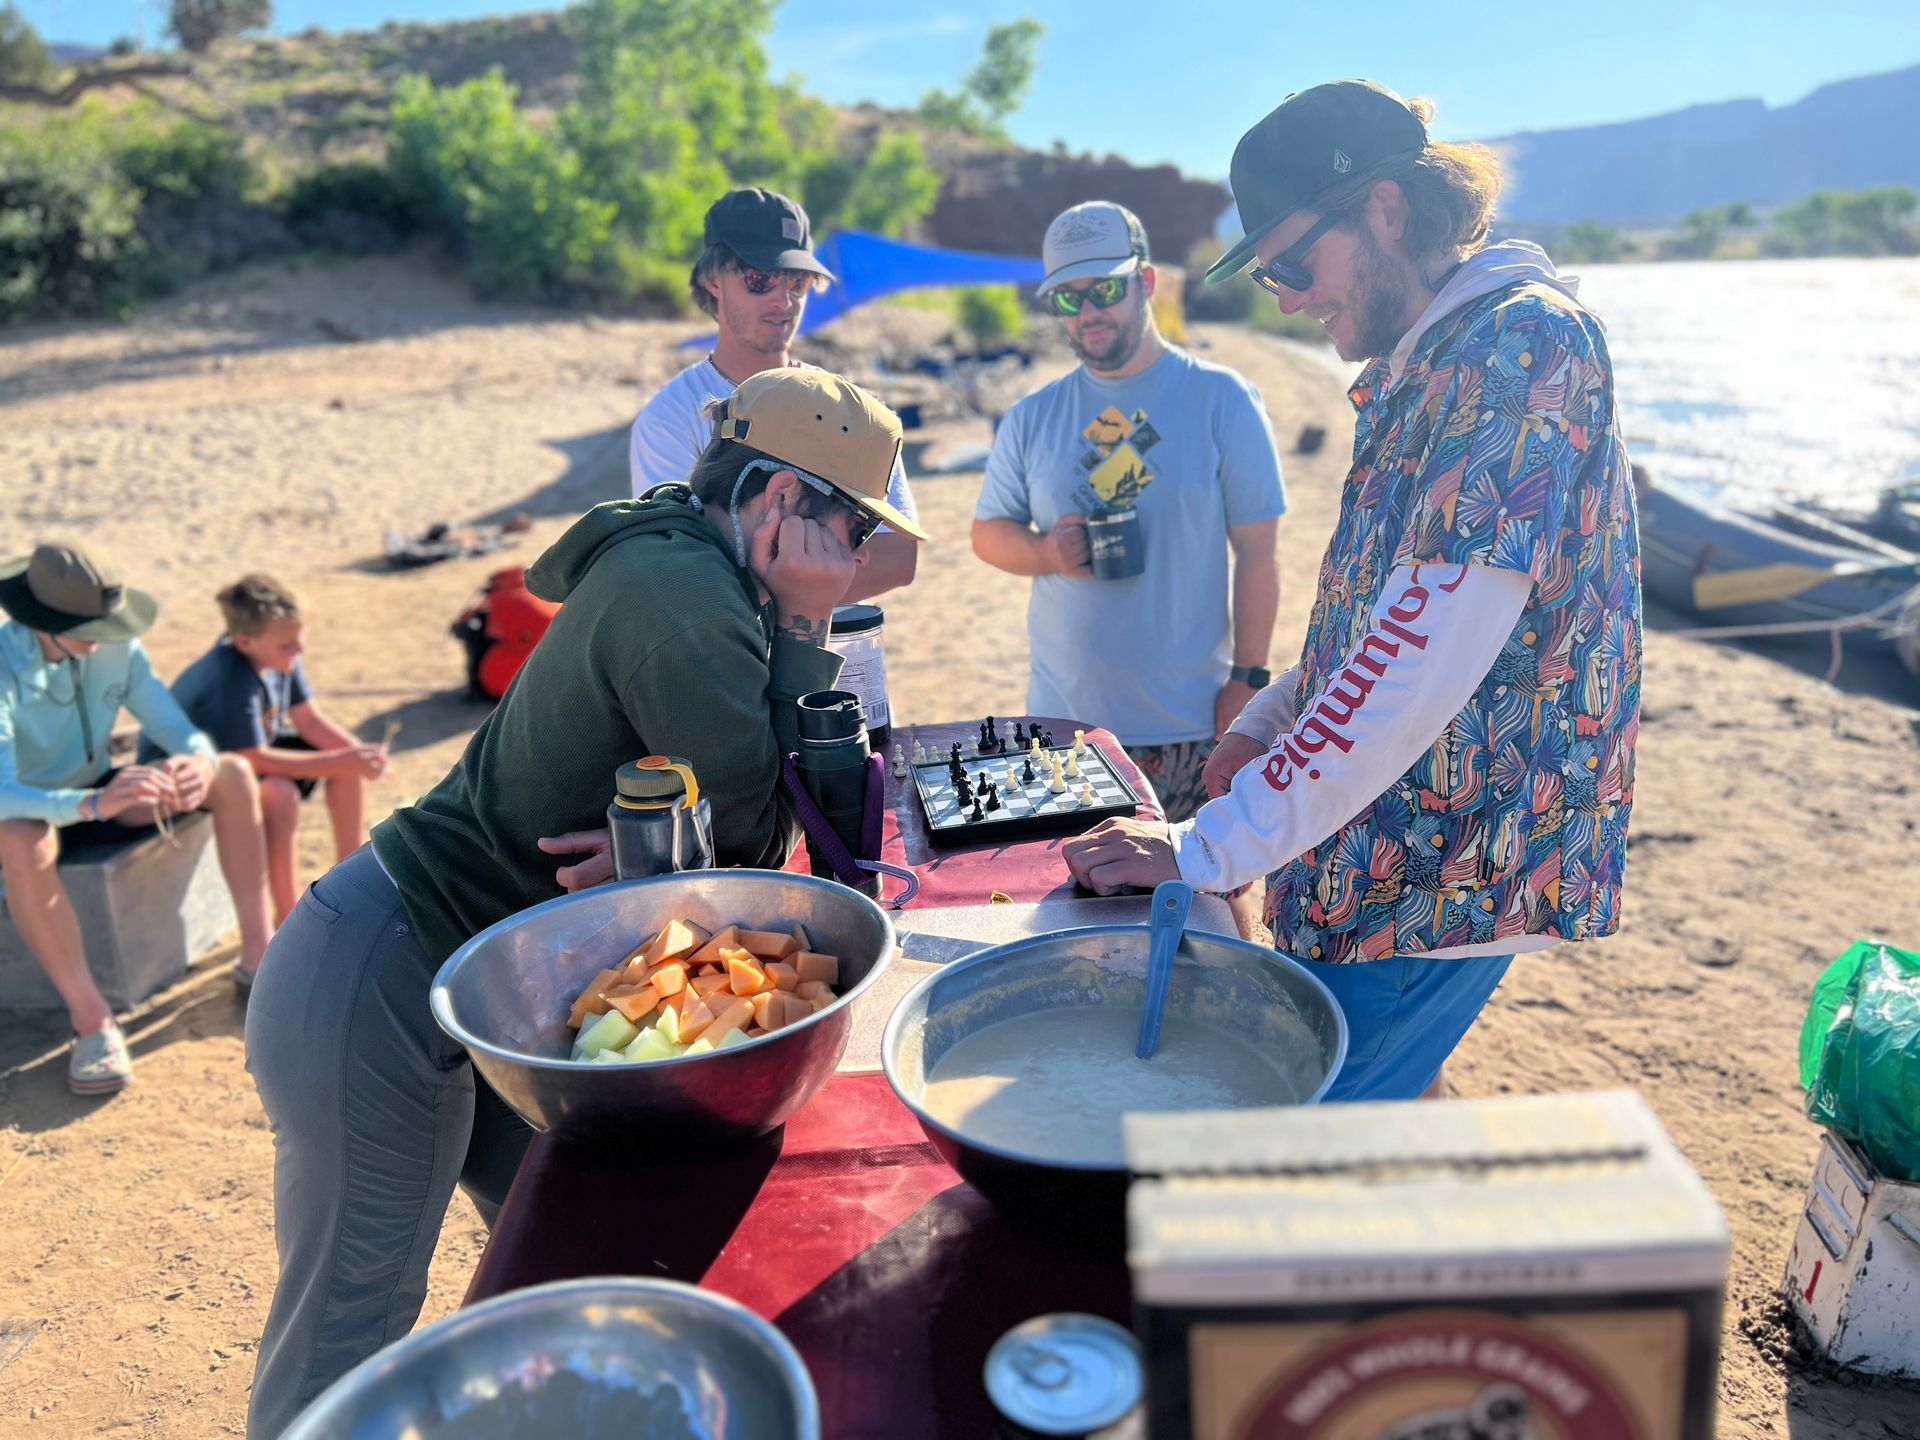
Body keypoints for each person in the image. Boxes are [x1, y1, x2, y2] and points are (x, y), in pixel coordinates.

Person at [245, 368, 925, 1438]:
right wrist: (805, 622)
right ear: (780, 499)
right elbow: (752, 849)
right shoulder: (689, 599)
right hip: (381, 973)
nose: (860, 549)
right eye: (847, 519)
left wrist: (670, 853)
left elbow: (733, 849)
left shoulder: (699, 558)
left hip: (486, 982)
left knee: (570, 1261)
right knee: (346, 1344)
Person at [1064, 81, 1642, 1103]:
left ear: (1383, 209)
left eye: (1293, 260)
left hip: (1435, 880)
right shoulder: (1435, 358)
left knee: (1295, 1159)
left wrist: (1207, 846)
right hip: (1375, 858)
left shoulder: (1517, 347)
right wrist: (1277, 712)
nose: (1283, 294)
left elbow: (1427, 651)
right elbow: (1388, 617)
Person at [971, 201, 1287, 822]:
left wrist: (1248, 682)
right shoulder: (1032, 415)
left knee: (1205, 907)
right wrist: (1044, 553)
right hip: (1064, 729)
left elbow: (1258, 552)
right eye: (1068, 298)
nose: (1088, 312)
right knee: (1071, 910)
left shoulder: (1221, 398)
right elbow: (987, 534)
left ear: (1145, 282)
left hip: (1189, 723)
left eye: (1105, 290)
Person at [0, 540, 274, 1093]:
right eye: (90, 628)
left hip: (100, 792)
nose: (106, 636)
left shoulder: (118, 646)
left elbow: (177, 729)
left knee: (231, 774)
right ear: (43, 621)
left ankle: (259, 957)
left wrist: (195, 762)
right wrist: (89, 804)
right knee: (21, 837)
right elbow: (4, 792)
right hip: (29, 810)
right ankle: (92, 1020)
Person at [630, 187, 921, 602]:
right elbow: (678, 572)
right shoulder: (672, 416)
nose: (783, 300)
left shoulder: (849, 406)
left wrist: (770, 574)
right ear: (713, 280)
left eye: (797, 280)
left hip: (846, 658)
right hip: (733, 662)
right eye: (760, 278)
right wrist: (813, 575)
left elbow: (898, 557)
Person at [160, 575, 388, 927]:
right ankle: (289, 914)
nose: (299, 652)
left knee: (347, 767)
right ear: (244, 641)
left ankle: (355, 881)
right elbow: (250, 757)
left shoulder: (280, 655)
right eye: (288, 646)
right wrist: (343, 759)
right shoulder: (229, 675)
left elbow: (309, 721)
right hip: (200, 772)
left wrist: (359, 755)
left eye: (300, 640)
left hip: (247, 753)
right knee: (280, 793)